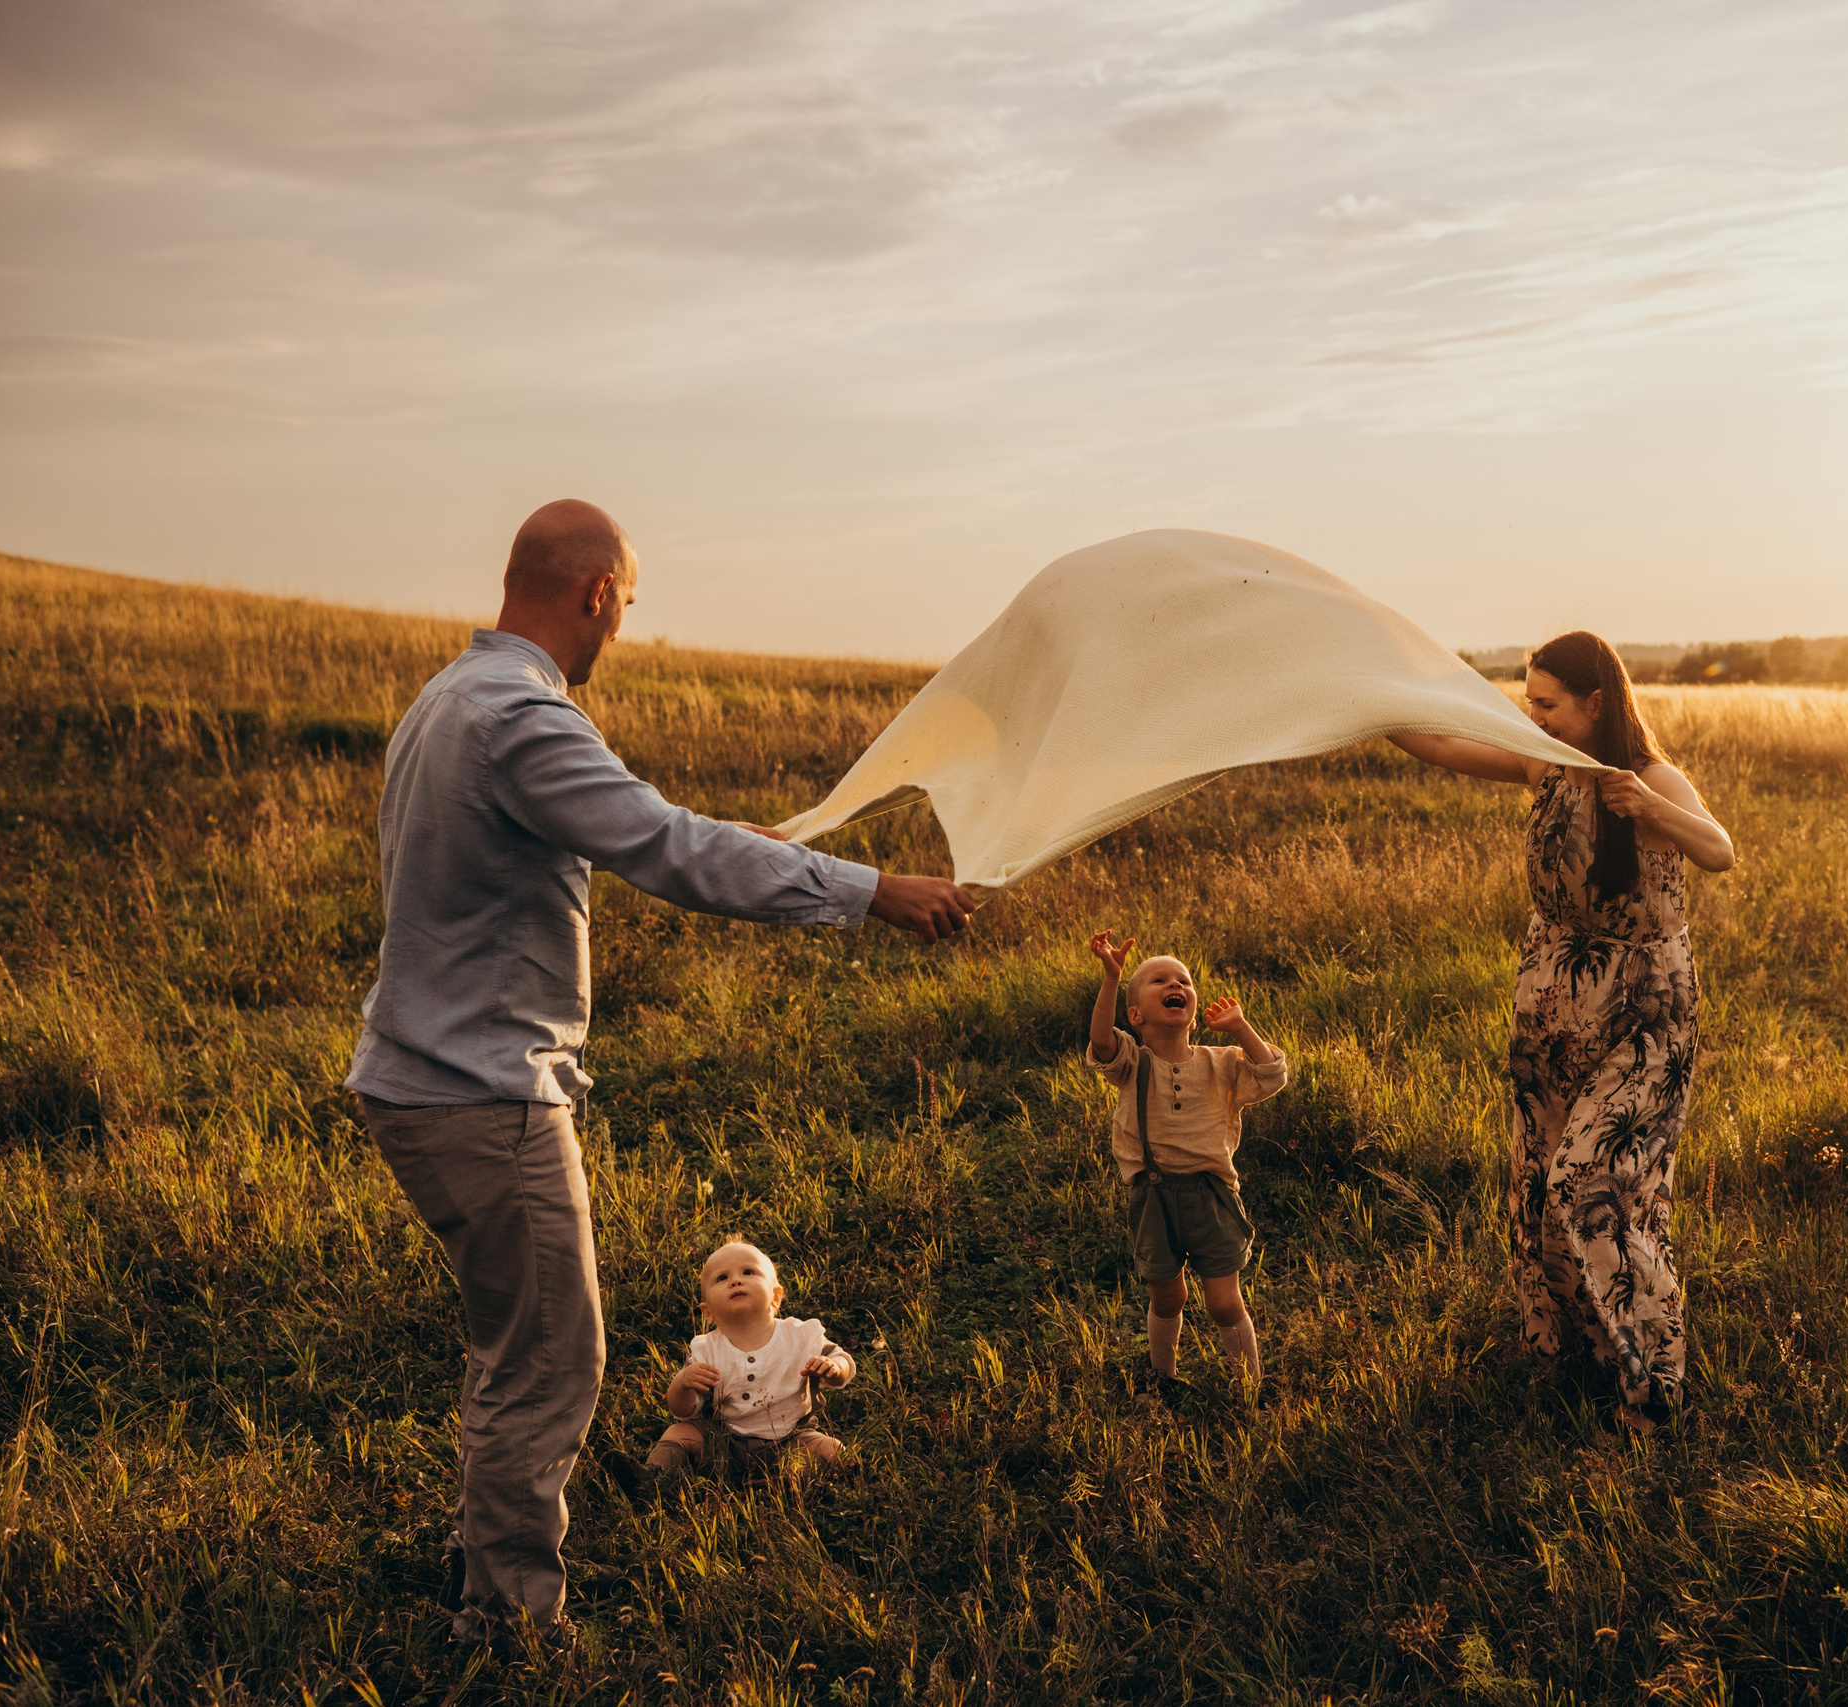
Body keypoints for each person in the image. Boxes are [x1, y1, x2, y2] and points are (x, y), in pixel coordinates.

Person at [345, 499, 973, 1650]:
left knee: (514, 1348)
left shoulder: (447, 699)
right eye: (627, 605)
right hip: (482, 1094)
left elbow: (651, 829)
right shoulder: (520, 719)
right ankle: (513, 1628)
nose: (624, 628)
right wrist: (873, 891)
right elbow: (669, 844)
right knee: (549, 1360)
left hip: (422, 1080)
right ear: (594, 593)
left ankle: (481, 1573)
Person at [1389, 631, 1734, 1431]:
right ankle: (1573, 1355)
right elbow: (1437, 742)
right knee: (1540, 1180)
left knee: (1592, 1182)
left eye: (1547, 703)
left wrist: (1651, 809)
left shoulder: (1651, 777)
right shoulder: (1539, 760)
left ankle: (1653, 1386)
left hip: (1643, 1015)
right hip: (1551, 1002)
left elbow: (1719, 850)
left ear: (1596, 703)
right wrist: (1364, 699)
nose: (1532, 715)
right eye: (1528, 700)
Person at [1086, 931, 1289, 1405]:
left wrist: (1241, 1029)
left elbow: (1273, 1074)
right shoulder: (1132, 1062)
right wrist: (1112, 978)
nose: (1176, 983)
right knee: (1167, 1297)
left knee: (1223, 1302)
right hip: (1153, 1197)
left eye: (1184, 980)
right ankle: (1164, 1379)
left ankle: (1250, 1388)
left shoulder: (1222, 1063)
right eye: (1159, 980)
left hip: (1212, 1196)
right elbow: (1099, 1040)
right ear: (1135, 1016)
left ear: (1193, 1008)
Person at [635, 1242, 855, 1483]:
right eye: (722, 1278)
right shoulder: (706, 1350)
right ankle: (652, 1478)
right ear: (707, 1312)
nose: (736, 1281)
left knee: (831, 1449)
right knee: (679, 1433)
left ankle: (783, 1483)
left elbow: (841, 1358)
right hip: (724, 1443)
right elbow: (682, 1411)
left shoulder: (800, 1335)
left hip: (792, 1439)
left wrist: (836, 1369)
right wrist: (682, 1383)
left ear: (776, 1296)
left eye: (748, 1272)